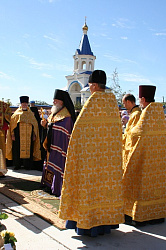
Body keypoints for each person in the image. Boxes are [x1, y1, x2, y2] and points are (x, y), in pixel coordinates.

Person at [59, 70, 124, 237]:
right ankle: (105, 223)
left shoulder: (92, 102)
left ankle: (87, 224)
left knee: (89, 189)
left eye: (89, 85)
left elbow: (79, 132)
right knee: (105, 189)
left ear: (94, 85)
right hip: (108, 160)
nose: (89, 88)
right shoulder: (112, 103)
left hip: (90, 159)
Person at [123, 85, 166, 226]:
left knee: (138, 184)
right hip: (158, 160)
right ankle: (157, 214)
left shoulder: (147, 113)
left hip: (144, 159)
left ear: (142, 99)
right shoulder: (159, 113)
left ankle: (140, 216)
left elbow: (136, 133)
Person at [41, 89, 75, 197]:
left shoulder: (67, 117)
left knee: (57, 166)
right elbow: (51, 127)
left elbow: (65, 131)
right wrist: (45, 125)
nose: (54, 102)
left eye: (56, 100)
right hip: (52, 145)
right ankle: (48, 184)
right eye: (53, 100)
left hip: (60, 147)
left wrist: (50, 127)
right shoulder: (54, 114)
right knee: (49, 164)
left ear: (62, 102)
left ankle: (57, 188)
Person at [6, 96, 41, 170]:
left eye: (26, 104)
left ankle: (27, 165)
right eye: (23, 104)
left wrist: (34, 134)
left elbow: (35, 125)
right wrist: (12, 134)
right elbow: (12, 125)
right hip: (18, 135)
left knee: (29, 149)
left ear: (27, 104)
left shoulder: (30, 114)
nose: (24, 105)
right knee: (17, 150)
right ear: (21, 104)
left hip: (29, 135)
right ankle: (17, 165)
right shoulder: (16, 114)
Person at [122, 93, 141, 168]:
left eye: (124, 103)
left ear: (128, 102)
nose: (124, 106)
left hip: (130, 148)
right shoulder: (134, 113)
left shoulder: (136, 114)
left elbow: (132, 134)